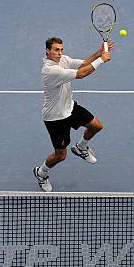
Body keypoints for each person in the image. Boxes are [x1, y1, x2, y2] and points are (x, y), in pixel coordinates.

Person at [33, 37, 115, 192]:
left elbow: (84, 63)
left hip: (70, 107)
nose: (60, 53)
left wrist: (98, 53)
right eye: (56, 50)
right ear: (47, 51)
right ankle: (41, 172)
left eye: (61, 49)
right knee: (61, 155)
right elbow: (81, 74)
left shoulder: (63, 60)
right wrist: (101, 60)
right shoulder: (50, 70)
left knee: (96, 126)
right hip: (56, 118)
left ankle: (80, 147)